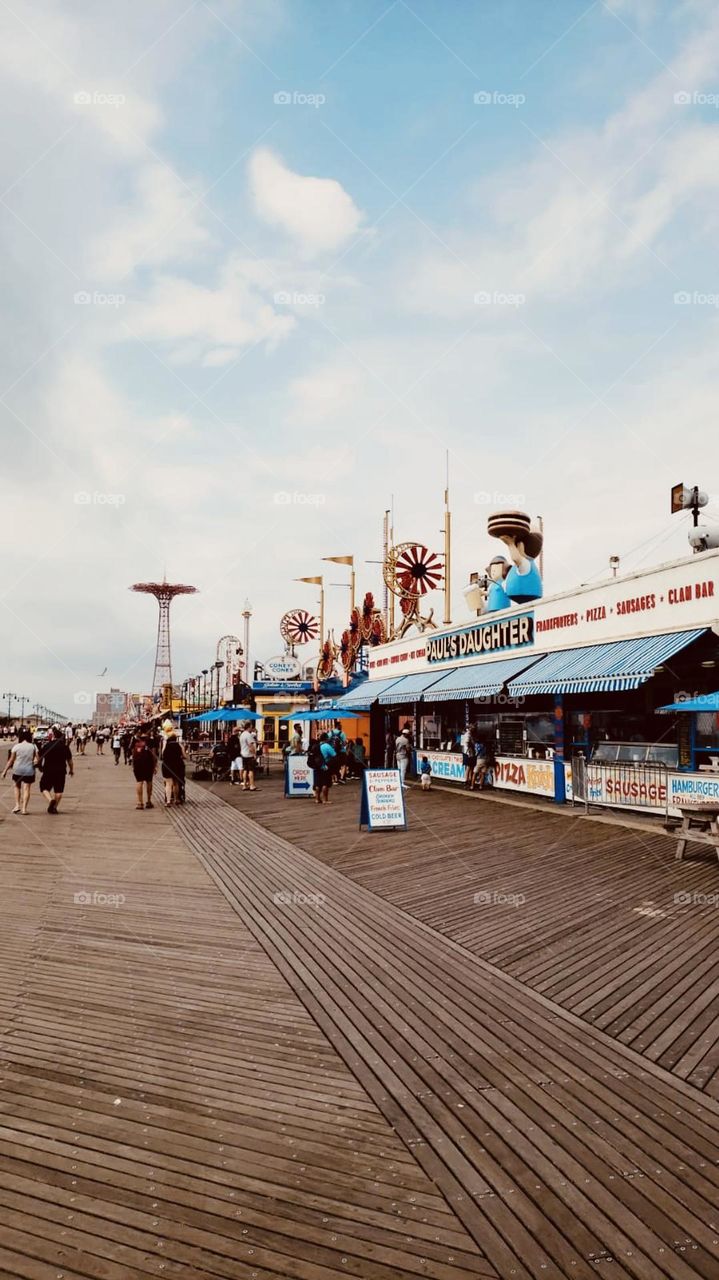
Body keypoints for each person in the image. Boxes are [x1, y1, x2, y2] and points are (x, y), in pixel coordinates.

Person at [2, 727, 39, 814]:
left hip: (17, 770)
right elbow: (38, 759)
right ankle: (24, 809)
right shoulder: (33, 746)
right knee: (26, 789)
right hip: (29, 770)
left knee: (17, 787)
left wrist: (5, 771)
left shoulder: (16, 746)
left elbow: (11, 760)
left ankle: (17, 805)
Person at [39, 726, 74, 813]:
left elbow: (39, 757)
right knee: (59, 790)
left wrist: (40, 766)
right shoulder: (65, 747)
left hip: (48, 770)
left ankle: (50, 800)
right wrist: (71, 770)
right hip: (61, 771)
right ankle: (54, 807)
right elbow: (70, 761)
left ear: (53, 736)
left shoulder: (47, 746)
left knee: (44, 787)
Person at [131, 733, 157, 809]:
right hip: (148, 764)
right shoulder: (150, 742)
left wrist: (133, 764)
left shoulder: (135, 742)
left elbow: (133, 754)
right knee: (149, 782)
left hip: (137, 764)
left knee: (139, 782)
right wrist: (155, 766)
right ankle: (148, 801)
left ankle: (140, 802)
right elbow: (154, 755)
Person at [161, 730, 185, 806]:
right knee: (176, 783)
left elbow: (162, 754)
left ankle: (168, 801)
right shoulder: (179, 745)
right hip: (177, 765)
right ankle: (176, 799)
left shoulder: (166, 745)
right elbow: (184, 755)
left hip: (167, 766)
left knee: (168, 784)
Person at [308, 733, 334, 804]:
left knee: (317, 783)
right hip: (324, 767)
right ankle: (325, 800)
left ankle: (317, 799)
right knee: (325, 783)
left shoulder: (316, 746)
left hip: (316, 767)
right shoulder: (327, 746)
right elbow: (334, 755)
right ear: (326, 738)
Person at [239, 722, 259, 792]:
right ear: (248, 727)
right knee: (251, 770)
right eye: (251, 726)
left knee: (245, 770)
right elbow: (251, 746)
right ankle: (252, 785)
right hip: (249, 755)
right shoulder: (248, 735)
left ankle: (244, 785)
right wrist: (254, 754)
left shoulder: (242, 735)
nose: (252, 728)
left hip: (243, 754)